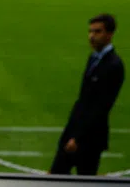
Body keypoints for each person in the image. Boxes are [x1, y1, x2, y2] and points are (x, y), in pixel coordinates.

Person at [50, 14, 125, 176]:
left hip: (89, 138)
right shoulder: (93, 58)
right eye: (90, 31)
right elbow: (83, 99)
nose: (91, 36)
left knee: (83, 182)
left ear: (109, 34)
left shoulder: (114, 66)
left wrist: (77, 138)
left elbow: (102, 106)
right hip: (75, 130)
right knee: (57, 175)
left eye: (97, 32)